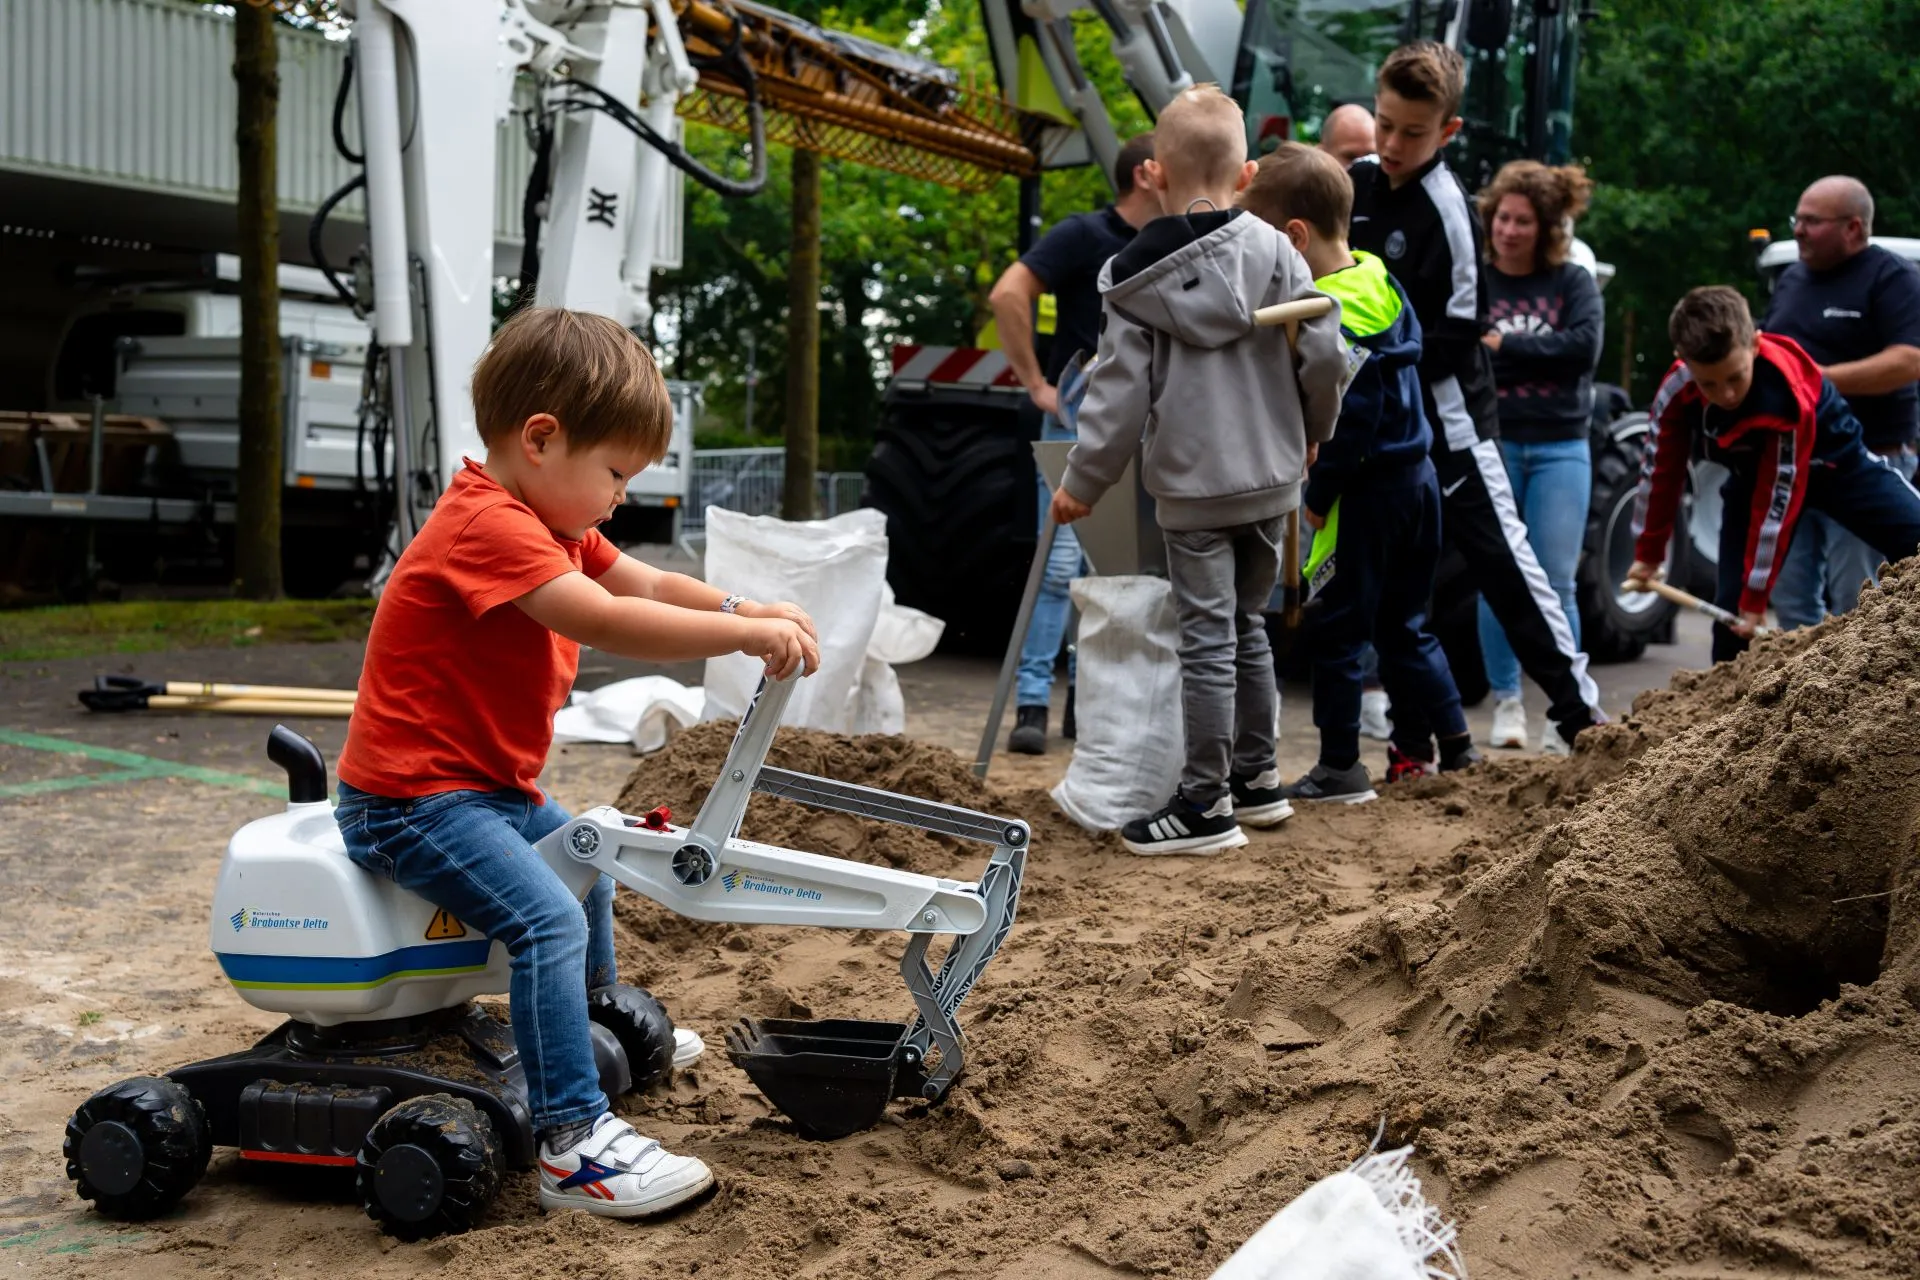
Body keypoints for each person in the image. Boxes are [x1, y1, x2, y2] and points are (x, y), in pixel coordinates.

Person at [333, 308, 820, 1218]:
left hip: (483, 790)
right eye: (615, 472)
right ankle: (574, 1143)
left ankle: (591, 1036)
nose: (620, 496)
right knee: (547, 918)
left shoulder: (551, 523)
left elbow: (645, 581)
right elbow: (605, 619)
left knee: (591, 857)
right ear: (543, 439)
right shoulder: (487, 524)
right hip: (409, 803)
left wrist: (744, 600)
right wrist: (746, 633)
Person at [1051, 85, 1348, 855]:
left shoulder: (1132, 276)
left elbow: (1117, 396)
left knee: (1209, 641)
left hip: (1193, 488)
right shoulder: (1279, 250)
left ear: (1155, 171)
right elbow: (1322, 351)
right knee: (1247, 629)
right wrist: (1314, 432)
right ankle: (1258, 782)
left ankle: (1204, 804)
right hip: (1273, 479)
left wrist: (1082, 484)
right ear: (1245, 173)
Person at [1347, 41, 1602, 774]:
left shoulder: (1450, 209)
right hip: (1378, 427)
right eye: (1384, 124)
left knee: (1507, 569)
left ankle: (1582, 714)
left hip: (1451, 422)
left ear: (1447, 132)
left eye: (1412, 133)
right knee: (1397, 586)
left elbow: (1463, 332)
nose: (1392, 145)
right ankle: (1411, 743)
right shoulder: (1357, 182)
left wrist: (1375, 361)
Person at [1238, 143, 1474, 804]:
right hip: (1419, 482)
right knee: (1407, 626)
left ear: (1295, 237)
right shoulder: (1380, 282)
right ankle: (1459, 745)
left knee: (1337, 627)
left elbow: (1351, 416)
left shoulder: (1325, 312)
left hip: (1364, 496)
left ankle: (1341, 765)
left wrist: (1319, 497)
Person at [1628, 286, 1920, 662]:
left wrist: (1757, 598)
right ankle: (1726, 709)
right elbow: (1659, 474)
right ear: (1683, 361)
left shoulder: (1784, 390)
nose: (1727, 395)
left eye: (1735, 377)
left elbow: (1778, 499)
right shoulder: (1676, 391)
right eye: (1709, 384)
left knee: (1914, 537)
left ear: (1755, 344)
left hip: (1838, 467)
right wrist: (1649, 553)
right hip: (1751, 480)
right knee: (1731, 615)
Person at [989, 133, 1159, 755]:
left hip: (1137, 420)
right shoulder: (1085, 234)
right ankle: (1033, 702)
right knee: (1062, 567)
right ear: (1147, 173)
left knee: (1107, 570)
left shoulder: (1167, 243)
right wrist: (1035, 381)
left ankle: (1085, 706)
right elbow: (1009, 292)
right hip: (1078, 414)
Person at [1474, 161, 1604, 755]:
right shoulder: (1476, 281)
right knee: (1496, 580)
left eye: (1523, 220)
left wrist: (1508, 346)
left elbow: (1582, 351)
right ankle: (1506, 702)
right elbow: (1470, 357)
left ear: (1547, 227)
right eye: (1502, 216)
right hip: (1493, 443)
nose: (1508, 229)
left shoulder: (1572, 281)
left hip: (1560, 445)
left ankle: (1564, 712)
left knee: (1557, 581)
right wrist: (1534, 354)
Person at [1764, 176, 1920, 628]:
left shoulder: (1891, 278)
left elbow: (1909, 360)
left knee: (1860, 606)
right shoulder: (1792, 279)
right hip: (1793, 469)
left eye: (1812, 222)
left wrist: (1816, 381)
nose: (1798, 230)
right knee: (1791, 605)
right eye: (1798, 219)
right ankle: (1803, 696)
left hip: (1867, 465)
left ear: (1853, 228)